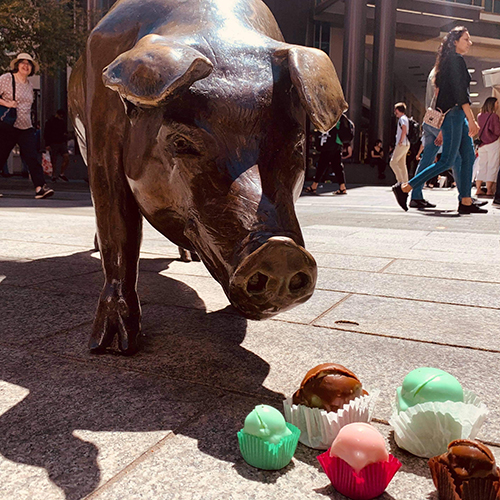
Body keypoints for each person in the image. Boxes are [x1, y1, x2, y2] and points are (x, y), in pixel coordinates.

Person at [392, 26, 485, 214]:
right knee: (447, 160)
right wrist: (472, 119)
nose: (470, 42)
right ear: (455, 42)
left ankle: (466, 201)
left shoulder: (449, 61)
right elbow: (460, 94)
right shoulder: (455, 60)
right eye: (466, 39)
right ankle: (404, 188)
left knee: (467, 155)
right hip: (453, 115)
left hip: (456, 115)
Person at [0, 53, 54, 198]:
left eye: (29, 63)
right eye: (22, 62)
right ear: (17, 65)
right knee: (1, 155)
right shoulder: (7, 78)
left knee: (31, 157)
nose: (25, 66)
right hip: (8, 126)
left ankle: (40, 188)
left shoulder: (29, 85)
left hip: (25, 127)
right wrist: (7, 103)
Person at [304, 119, 344, 195]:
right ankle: (342, 187)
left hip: (329, 145)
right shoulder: (340, 117)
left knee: (322, 165)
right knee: (337, 166)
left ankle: (314, 186)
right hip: (337, 144)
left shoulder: (333, 116)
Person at [474, 97, 500, 198]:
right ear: (492, 104)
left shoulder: (479, 115)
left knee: (482, 165)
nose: (498, 105)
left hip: (482, 144)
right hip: (492, 143)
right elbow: (497, 131)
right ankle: (489, 190)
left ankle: (478, 189)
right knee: (492, 165)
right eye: (497, 103)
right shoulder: (494, 116)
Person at [45, 109, 70, 182]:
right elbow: (47, 133)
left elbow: (46, 133)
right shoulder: (51, 122)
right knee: (55, 159)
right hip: (55, 142)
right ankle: (56, 174)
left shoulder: (57, 122)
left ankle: (58, 174)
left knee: (60, 158)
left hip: (59, 142)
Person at [389, 102, 410, 183]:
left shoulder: (402, 119)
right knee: (402, 164)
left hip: (402, 143)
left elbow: (404, 130)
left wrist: (400, 141)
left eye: (395, 110)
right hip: (406, 144)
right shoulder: (406, 118)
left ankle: (400, 181)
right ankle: (405, 182)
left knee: (393, 162)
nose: (395, 112)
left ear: (397, 110)